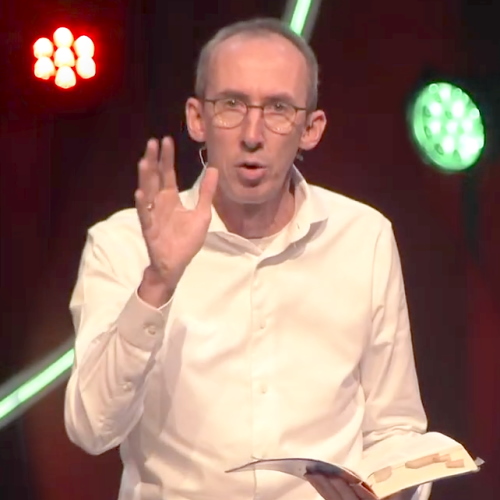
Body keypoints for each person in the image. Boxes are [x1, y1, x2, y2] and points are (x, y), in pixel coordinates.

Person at [64, 17, 431, 500]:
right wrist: (157, 283)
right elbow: (92, 429)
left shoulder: (364, 237)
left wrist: (392, 490)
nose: (252, 134)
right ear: (197, 118)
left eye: (279, 108)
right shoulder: (122, 243)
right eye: (232, 105)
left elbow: (395, 428)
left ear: (310, 128)